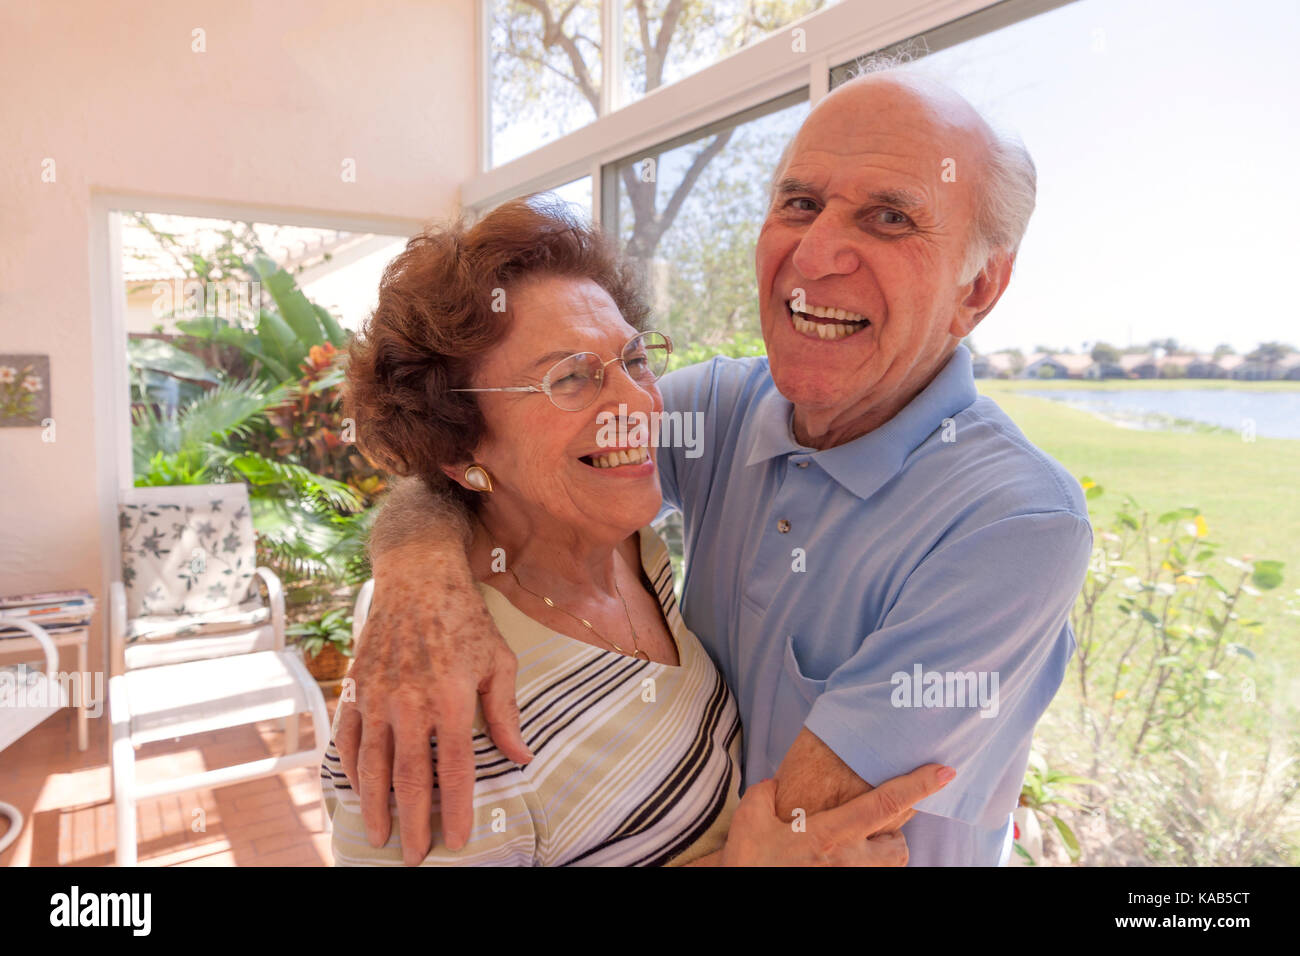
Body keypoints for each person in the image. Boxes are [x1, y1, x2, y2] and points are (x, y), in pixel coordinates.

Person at [335, 64, 1092, 866]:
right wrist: (416, 583)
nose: (819, 251)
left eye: (890, 217)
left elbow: (799, 835)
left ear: (978, 287)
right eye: (800, 203)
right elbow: (478, 446)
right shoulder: (730, 410)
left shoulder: (1015, 520)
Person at [320, 196, 951, 866]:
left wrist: (416, 560)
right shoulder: (435, 707)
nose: (640, 403)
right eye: (569, 377)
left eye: (633, 358)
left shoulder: (632, 549)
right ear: (459, 444)